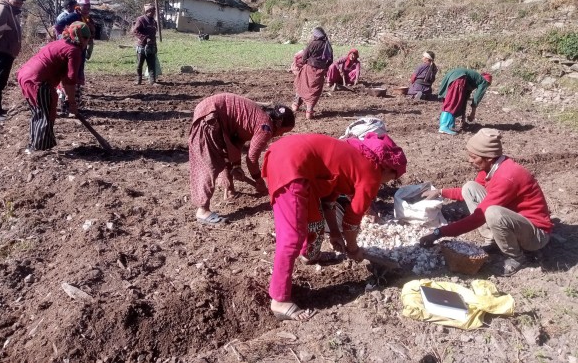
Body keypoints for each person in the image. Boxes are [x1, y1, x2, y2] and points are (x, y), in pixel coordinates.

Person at [262, 132, 407, 320]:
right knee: (292, 236)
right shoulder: (371, 174)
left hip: (293, 158)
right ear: (387, 169)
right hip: (292, 166)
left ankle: (310, 255)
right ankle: (279, 299)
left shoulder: (357, 155)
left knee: (314, 218)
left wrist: (335, 234)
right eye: (393, 177)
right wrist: (354, 249)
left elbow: (329, 200)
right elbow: (352, 221)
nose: (388, 182)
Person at [419, 128, 552, 276]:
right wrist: (441, 191)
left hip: (535, 236)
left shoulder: (507, 177)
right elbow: (469, 193)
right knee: (470, 187)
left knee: (493, 213)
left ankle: (517, 257)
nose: (470, 160)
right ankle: (495, 241)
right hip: (517, 222)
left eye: (473, 157)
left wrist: (439, 233)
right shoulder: (490, 167)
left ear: (488, 157)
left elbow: (478, 217)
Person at [189, 93, 295, 225]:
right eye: (283, 131)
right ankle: (202, 211)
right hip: (210, 116)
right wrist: (259, 181)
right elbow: (252, 159)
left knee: (222, 155)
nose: (281, 135)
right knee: (209, 162)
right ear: (279, 123)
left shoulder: (259, 117)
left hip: (213, 112)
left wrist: (236, 166)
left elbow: (234, 142)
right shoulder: (265, 127)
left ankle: (230, 191)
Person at [17, 22, 91, 153]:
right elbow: (70, 79)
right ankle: (39, 148)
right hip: (38, 81)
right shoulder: (74, 51)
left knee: (38, 112)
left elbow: (63, 75)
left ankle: (34, 145)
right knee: (45, 114)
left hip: (26, 75)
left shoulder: (60, 43)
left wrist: (68, 97)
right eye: (87, 39)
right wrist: (72, 102)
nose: (87, 42)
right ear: (83, 39)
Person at [291, 27, 333, 120]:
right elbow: (330, 60)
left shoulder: (313, 43)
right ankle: (309, 112)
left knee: (302, 86)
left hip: (309, 69)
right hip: (320, 71)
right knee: (314, 91)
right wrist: (324, 67)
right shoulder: (327, 45)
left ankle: (295, 105)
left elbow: (305, 56)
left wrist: (305, 63)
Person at [437, 68, 492, 135]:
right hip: (459, 79)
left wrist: (463, 118)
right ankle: (444, 126)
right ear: (488, 82)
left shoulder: (473, 79)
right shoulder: (484, 82)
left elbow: (464, 100)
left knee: (452, 102)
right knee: (453, 103)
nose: (486, 87)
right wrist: (473, 113)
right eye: (488, 85)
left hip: (452, 75)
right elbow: (477, 98)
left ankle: (450, 126)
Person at [132, 3, 158, 85]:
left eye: (154, 11)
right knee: (140, 64)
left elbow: (154, 34)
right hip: (142, 46)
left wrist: (155, 45)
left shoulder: (154, 22)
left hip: (151, 46)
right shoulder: (141, 20)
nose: (154, 12)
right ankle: (139, 80)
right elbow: (135, 31)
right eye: (153, 11)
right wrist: (145, 38)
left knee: (151, 64)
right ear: (148, 11)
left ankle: (152, 81)